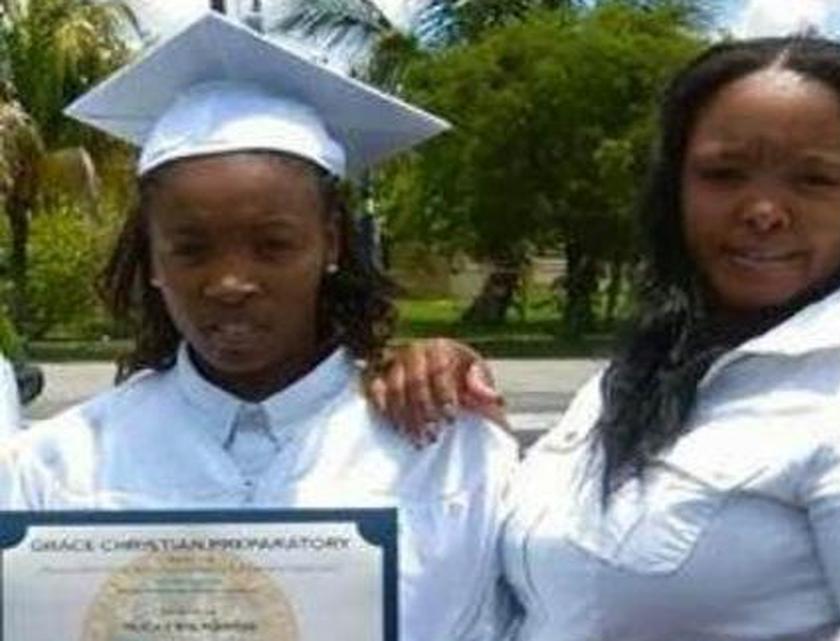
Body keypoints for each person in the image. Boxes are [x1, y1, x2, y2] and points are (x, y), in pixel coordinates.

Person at [372, 36, 840, 639]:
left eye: (814, 179)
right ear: (675, 187)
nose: (763, 210)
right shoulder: (649, 370)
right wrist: (460, 400)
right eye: (723, 173)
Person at [0, 13, 515, 641]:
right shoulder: (60, 463)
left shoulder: (444, 448)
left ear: (329, 243)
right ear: (152, 258)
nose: (230, 283)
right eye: (190, 249)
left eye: (273, 245)